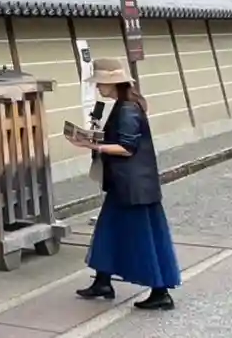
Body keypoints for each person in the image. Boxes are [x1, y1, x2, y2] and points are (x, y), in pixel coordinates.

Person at [69, 57, 181, 311]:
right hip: (127, 184)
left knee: (142, 239)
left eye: (100, 83)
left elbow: (126, 147)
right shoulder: (124, 105)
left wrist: (92, 145)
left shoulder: (127, 109)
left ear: (113, 83)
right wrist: (94, 138)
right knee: (109, 232)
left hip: (133, 187)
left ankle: (160, 291)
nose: (98, 87)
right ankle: (103, 281)